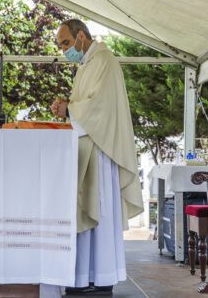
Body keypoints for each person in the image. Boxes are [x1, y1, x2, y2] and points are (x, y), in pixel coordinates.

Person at [51, 19, 143, 295]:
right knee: (85, 211)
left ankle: (101, 276)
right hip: (85, 149)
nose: (65, 50)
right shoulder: (86, 65)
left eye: (66, 43)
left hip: (101, 152)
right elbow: (84, 106)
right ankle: (83, 277)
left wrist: (70, 110)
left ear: (81, 36)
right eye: (61, 46)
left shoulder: (104, 60)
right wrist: (66, 109)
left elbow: (100, 109)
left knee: (99, 213)